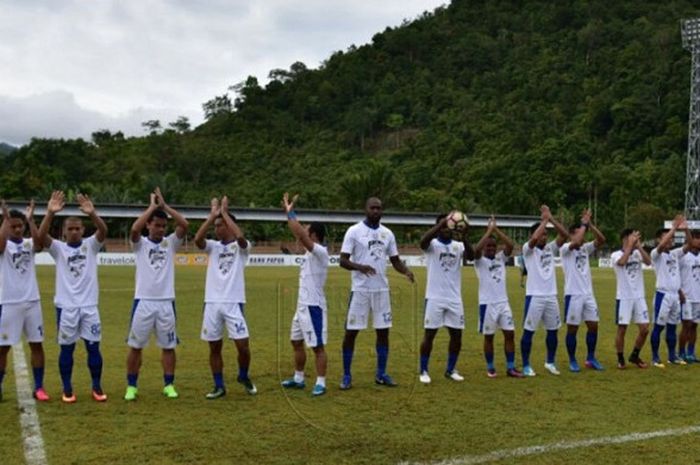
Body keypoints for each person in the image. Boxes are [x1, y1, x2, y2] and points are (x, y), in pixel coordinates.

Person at [38, 191, 108, 403]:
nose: (75, 232)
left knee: (93, 347)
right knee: (67, 348)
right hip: (66, 307)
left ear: (83, 230)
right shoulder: (59, 249)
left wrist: (92, 213)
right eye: (71, 229)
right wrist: (49, 213)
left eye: (78, 228)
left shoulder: (90, 245)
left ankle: (96, 386)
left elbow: (103, 231)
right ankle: (67, 388)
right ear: (64, 232)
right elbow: (41, 238)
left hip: (89, 307)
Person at [339, 197, 414, 390]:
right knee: (351, 333)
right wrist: (360, 267)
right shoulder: (354, 231)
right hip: (361, 290)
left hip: (382, 290)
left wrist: (406, 271)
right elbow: (343, 260)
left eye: (379, 208)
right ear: (365, 209)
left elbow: (395, 260)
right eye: (372, 208)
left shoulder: (387, 234)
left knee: (383, 332)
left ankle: (381, 374)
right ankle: (346, 375)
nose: (375, 211)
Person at [124, 188, 188, 401]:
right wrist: (151, 207)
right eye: (156, 225)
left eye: (163, 226)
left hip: (166, 303)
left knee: (168, 346)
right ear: (149, 225)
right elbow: (134, 229)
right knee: (135, 346)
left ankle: (169, 384)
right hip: (143, 302)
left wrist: (165, 207)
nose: (160, 229)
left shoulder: (170, 243)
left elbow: (184, 225)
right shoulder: (140, 244)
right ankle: (131, 386)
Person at [194, 196, 256, 399]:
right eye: (216, 225)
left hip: (233, 303)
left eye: (220, 225)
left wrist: (225, 213)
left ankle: (243, 375)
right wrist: (212, 216)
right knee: (214, 346)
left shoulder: (241, 248)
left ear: (230, 226)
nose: (216, 229)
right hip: (212, 303)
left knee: (243, 346)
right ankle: (219, 385)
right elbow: (197, 240)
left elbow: (240, 238)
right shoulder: (213, 246)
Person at [279, 193, 329, 396]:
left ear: (314, 236)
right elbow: (299, 234)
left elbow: (299, 233)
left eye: (308, 232)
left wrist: (290, 212)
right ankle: (299, 378)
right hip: (301, 307)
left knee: (317, 347)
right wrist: (290, 213)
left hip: (313, 306)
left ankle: (321, 382)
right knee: (296, 342)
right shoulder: (309, 253)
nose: (304, 235)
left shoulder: (320, 252)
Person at [0, 200, 49, 402]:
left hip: (32, 302)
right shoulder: (5, 244)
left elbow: (39, 243)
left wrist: (30, 221)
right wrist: (5, 219)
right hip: (9, 302)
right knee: (3, 348)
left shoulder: (28, 244)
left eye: (20, 226)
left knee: (36, 345)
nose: (18, 229)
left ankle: (39, 387)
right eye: (14, 226)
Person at [417, 213, 473, 384]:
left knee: (457, 336)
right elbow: (422, 242)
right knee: (430, 335)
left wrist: (464, 237)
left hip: (454, 298)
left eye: (449, 225)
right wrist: (440, 224)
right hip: (434, 297)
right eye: (444, 225)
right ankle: (424, 370)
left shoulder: (458, 245)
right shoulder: (432, 245)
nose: (447, 229)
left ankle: (450, 369)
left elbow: (472, 256)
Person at [520, 205, 569, 376]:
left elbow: (564, 235)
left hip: (551, 296)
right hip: (534, 296)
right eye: (542, 234)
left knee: (553, 330)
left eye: (546, 235)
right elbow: (533, 239)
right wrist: (544, 221)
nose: (544, 237)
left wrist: (551, 220)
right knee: (529, 331)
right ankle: (526, 364)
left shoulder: (550, 248)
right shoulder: (528, 249)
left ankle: (550, 362)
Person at [473, 216, 524, 378]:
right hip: (487, 305)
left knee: (510, 334)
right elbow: (475, 251)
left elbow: (510, 245)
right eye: (488, 246)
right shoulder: (479, 261)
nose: (490, 249)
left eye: (493, 246)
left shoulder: (501, 258)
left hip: (503, 303)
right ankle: (490, 367)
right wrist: (488, 231)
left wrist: (496, 230)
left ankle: (510, 367)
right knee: (489, 337)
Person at [560, 209, 606, 372]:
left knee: (593, 326)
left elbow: (601, 239)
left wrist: (590, 225)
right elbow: (576, 242)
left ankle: (591, 358)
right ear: (572, 234)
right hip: (573, 295)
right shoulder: (566, 248)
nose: (583, 236)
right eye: (580, 233)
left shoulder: (585, 248)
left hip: (588, 294)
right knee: (573, 328)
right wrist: (583, 226)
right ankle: (572, 360)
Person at [649, 216, 687, 368]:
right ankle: (655, 357)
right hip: (663, 295)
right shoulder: (655, 254)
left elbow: (690, 245)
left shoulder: (675, 254)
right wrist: (674, 229)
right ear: (659, 239)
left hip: (675, 296)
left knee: (672, 326)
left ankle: (672, 356)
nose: (670, 240)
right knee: (659, 327)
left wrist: (685, 230)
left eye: (671, 237)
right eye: (667, 237)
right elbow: (662, 246)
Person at [611, 229, 652, 369]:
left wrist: (639, 246)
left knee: (645, 329)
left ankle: (634, 355)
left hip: (639, 297)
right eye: (632, 237)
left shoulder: (637, 253)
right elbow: (622, 262)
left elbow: (648, 262)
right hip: (624, 297)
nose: (635, 239)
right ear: (624, 239)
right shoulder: (615, 255)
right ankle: (620, 358)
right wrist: (629, 246)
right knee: (622, 329)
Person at [679, 229, 700, 362]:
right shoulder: (682, 255)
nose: (698, 241)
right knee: (686, 325)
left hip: (698, 297)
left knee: (694, 325)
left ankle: (691, 352)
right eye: (696, 238)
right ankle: (681, 353)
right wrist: (679, 292)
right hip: (686, 296)